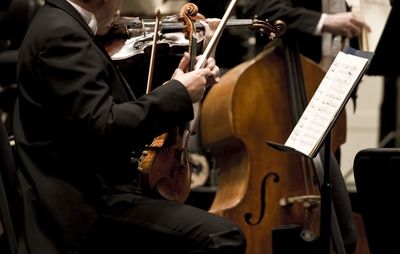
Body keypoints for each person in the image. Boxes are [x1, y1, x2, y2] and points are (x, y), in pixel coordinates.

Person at [12, 0, 247, 253]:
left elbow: (98, 117)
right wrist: (178, 93)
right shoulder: (62, 34)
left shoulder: (59, 23)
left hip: (90, 194)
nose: (122, 5)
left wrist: (174, 89)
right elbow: (107, 126)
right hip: (84, 209)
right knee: (223, 237)